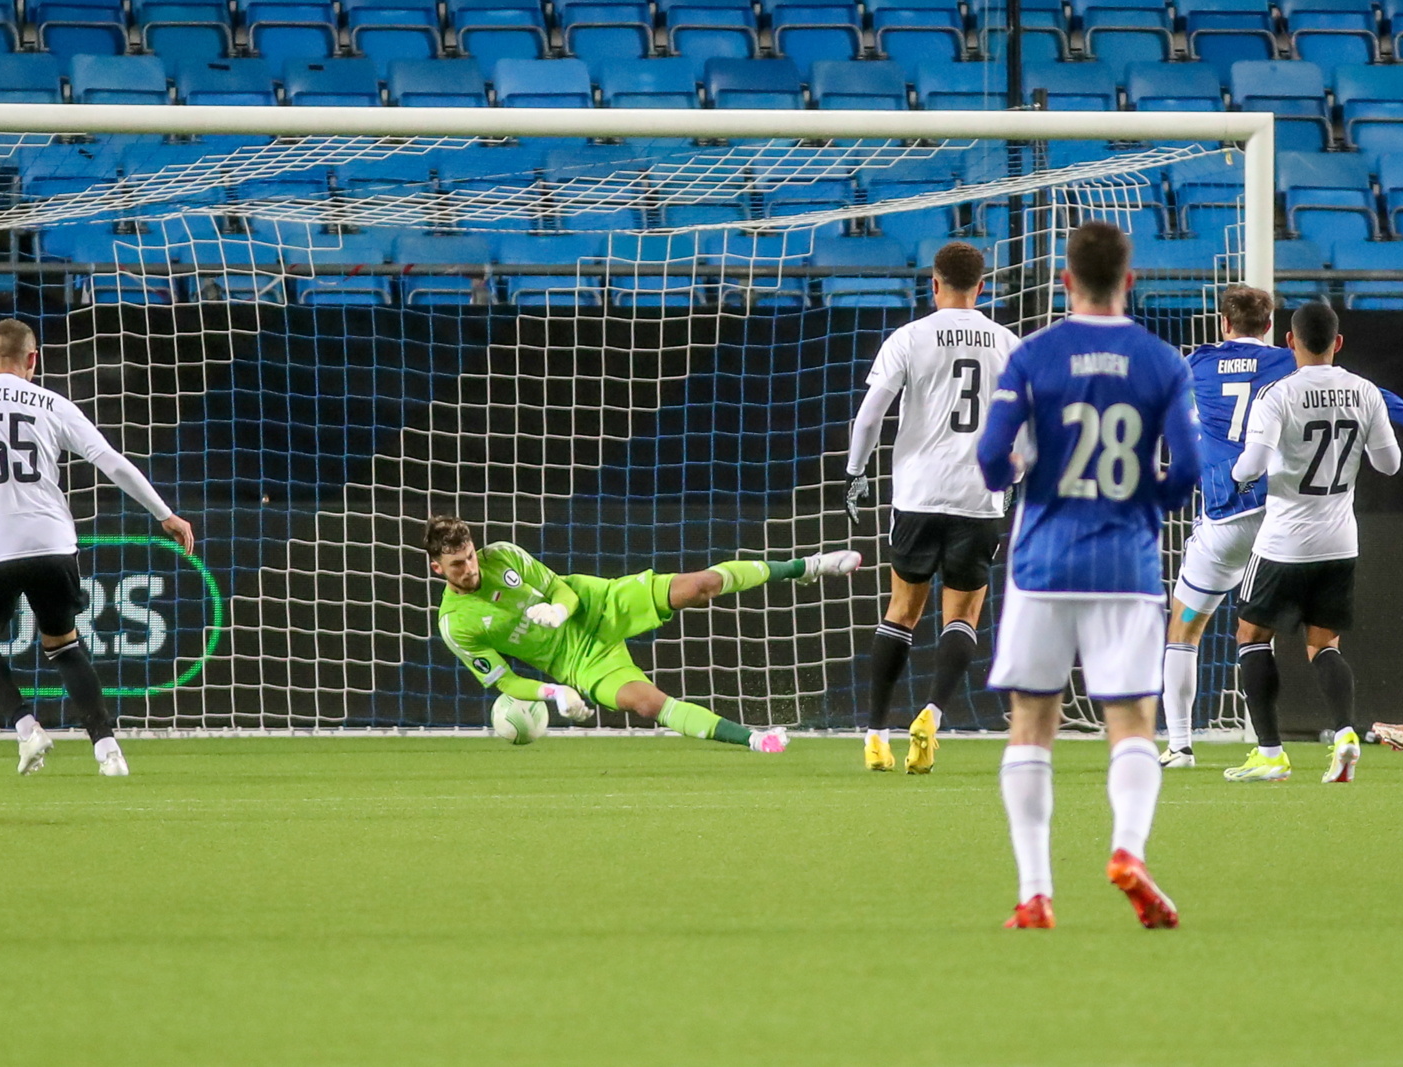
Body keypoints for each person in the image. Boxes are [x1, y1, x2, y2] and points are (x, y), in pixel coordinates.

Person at [976, 221, 1200, 930]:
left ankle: (1035, 892)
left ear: (1065, 281)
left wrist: (1017, 475)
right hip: (1126, 566)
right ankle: (1127, 851)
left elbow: (988, 457)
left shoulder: (1033, 354)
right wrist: (1147, 505)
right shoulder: (1163, 361)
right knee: (1131, 720)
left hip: (1043, 564)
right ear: (1130, 282)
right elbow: (1190, 469)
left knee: (1032, 721)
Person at [1162, 286, 1403, 768]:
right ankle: (1338, 730)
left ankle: (1182, 745)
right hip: (1281, 514)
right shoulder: (1288, 366)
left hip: (1226, 518)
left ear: (1225, 325)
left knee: (1186, 629)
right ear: (1273, 330)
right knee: (1319, 641)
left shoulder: (1196, 363)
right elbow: (1370, 398)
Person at [0, 319, 194, 777]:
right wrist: (165, 514)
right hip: (55, 544)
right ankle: (108, 751)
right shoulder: (52, 403)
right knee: (63, 644)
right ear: (32, 359)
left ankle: (26, 728)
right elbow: (110, 461)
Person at [425, 516, 861, 753]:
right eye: (459, 564)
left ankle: (805, 567)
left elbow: (559, 586)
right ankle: (750, 737)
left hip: (596, 604)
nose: (471, 568)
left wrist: (560, 608)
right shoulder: (455, 624)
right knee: (646, 703)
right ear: (438, 568)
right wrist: (553, 693)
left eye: (469, 556)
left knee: (699, 587)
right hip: (576, 663)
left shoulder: (503, 555)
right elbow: (505, 682)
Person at [840, 241, 1020, 774]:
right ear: (982, 287)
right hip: (978, 496)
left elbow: (871, 415)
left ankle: (875, 735)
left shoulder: (909, 337)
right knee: (963, 615)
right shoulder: (1009, 343)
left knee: (902, 611)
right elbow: (1027, 427)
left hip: (917, 495)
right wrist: (1016, 478)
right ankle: (933, 715)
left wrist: (855, 472)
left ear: (934, 284)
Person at [1223, 301, 1400, 785]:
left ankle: (1270, 753)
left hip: (1284, 542)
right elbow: (1389, 464)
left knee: (1252, 636)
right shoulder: (1364, 391)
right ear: (1338, 343)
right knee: (1324, 646)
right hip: (1340, 542)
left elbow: (1253, 464)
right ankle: (1344, 732)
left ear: (1290, 342)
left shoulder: (1278, 394)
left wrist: (1235, 476)